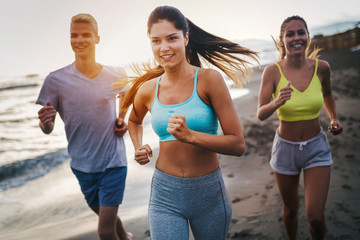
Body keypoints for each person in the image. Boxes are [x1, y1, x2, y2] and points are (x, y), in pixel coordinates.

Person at [114, 5, 258, 240]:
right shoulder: (148, 89)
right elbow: (134, 120)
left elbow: (237, 144)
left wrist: (190, 136)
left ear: (186, 38)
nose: (164, 48)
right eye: (156, 41)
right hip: (165, 195)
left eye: (172, 38)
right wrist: (138, 146)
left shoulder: (209, 80)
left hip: (209, 195)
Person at [36, 13, 133, 240]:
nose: (79, 40)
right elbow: (47, 128)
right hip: (81, 166)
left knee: (105, 231)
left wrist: (122, 118)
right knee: (107, 217)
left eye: (86, 35)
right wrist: (44, 123)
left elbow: (128, 97)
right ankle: (127, 238)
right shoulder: (55, 80)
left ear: (97, 38)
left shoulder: (116, 73)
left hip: (113, 161)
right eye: (74, 35)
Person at [257, 15, 343, 240]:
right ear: (282, 40)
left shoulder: (322, 68)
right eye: (290, 34)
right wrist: (276, 102)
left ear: (307, 36)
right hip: (285, 150)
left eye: (301, 32)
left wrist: (333, 118)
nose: (296, 38)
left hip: (316, 147)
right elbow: (260, 113)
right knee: (291, 210)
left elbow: (327, 94)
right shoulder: (272, 72)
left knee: (315, 217)